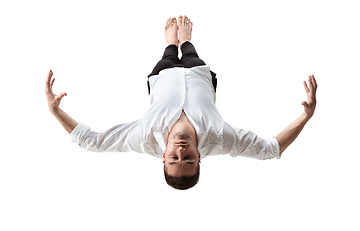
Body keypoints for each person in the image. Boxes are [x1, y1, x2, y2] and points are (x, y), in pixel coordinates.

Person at [45, 15, 318, 190]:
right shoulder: (222, 139)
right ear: (200, 158)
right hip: (200, 75)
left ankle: (168, 44)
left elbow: (91, 141)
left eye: (174, 158)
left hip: (161, 76)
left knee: (167, 57)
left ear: (162, 158)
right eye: (188, 159)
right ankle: (185, 42)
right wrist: (306, 116)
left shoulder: (142, 137)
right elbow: (271, 149)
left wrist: (55, 111)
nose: (180, 151)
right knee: (190, 55)